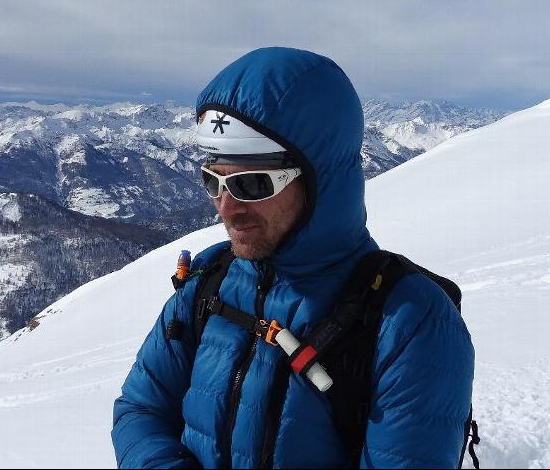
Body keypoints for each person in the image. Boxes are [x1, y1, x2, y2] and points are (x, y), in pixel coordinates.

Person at [112, 47, 474, 468]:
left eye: (252, 184)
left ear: (321, 181)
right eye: (212, 181)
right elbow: (140, 409)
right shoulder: (210, 280)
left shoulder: (409, 322)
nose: (225, 208)